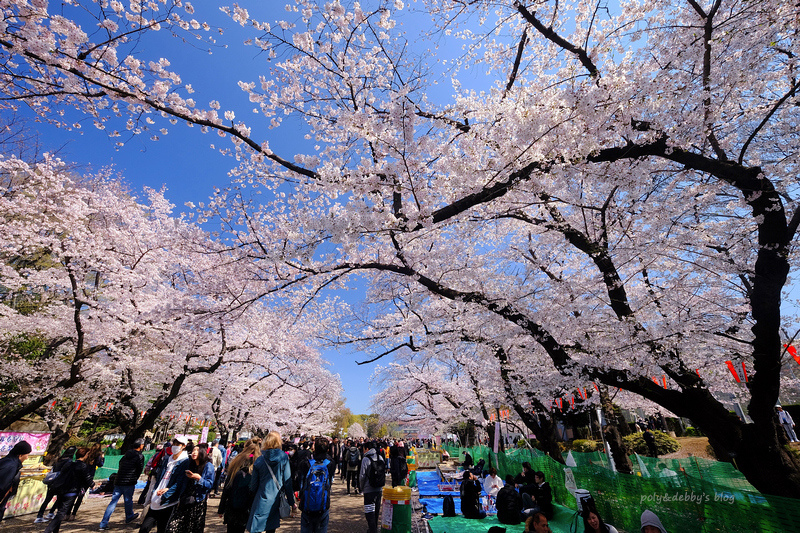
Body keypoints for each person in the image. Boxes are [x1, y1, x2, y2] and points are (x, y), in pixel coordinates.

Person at [247, 431, 295, 533]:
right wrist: (291, 501)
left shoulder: (259, 460)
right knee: (271, 528)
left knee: (257, 527)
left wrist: (250, 497)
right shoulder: (284, 457)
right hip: (276, 499)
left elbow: (253, 485)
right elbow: (287, 481)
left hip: (261, 498)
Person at [139, 436, 189, 533]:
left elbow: (180, 482)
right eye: (174, 444)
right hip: (156, 498)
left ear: (183, 446)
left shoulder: (185, 461)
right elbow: (160, 478)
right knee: (144, 528)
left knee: (162, 529)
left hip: (168, 501)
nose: (174, 446)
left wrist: (167, 492)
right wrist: (154, 491)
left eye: (177, 444)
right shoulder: (167, 459)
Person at [163, 443, 215, 533]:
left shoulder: (208, 466)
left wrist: (199, 478)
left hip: (197, 502)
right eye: (193, 450)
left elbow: (210, 485)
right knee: (173, 527)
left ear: (202, 452)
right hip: (185, 499)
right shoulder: (190, 464)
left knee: (192, 528)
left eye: (197, 451)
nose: (194, 452)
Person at [44, 447, 94, 533]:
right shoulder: (83, 466)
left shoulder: (69, 464)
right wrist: (92, 484)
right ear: (85, 455)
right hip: (72, 491)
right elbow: (88, 479)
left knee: (60, 511)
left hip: (61, 489)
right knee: (62, 512)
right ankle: (48, 530)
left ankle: (55, 531)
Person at [99, 438, 145, 530]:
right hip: (129, 481)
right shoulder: (139, 456)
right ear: (140, 446)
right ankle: (129, 516)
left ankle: (103, 523)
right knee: (128, 500)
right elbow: (139, 469)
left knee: (113, 502)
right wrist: (134, 478)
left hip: (118, 480)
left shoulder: (126, 455)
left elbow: (121, 465)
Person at [218, 442, 259, 533]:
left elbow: (226, 489)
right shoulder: (255, 471)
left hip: (232, 506)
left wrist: (221, 508)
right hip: (246, 508)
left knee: (231, 529)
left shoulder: (235, 467)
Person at [298, 437, 336, 533]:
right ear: (327, 450)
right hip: (322, 505)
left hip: (307, 506)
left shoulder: (306, 463)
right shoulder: (330, 464)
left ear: (314, 448)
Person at [34, 446, 75, 524]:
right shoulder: (69, 462)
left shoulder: (59, 460)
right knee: (59, 499)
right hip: (61, 483)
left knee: (47, 499)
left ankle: (39, 516)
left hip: (52, 482)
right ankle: (51, 513)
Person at [67, 442, 104, 520]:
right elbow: (100, 464)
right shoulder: (97, 456)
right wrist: (103, 457)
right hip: (89, 476)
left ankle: (67, 513)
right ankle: (73, 514)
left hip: (81, 475)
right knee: (80, 496)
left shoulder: (88, 454)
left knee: (74, 495)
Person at [0, 440, 31, 521]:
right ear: (20, 455)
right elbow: (2, 486)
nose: (27, 457)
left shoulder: (8, 461)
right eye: (27, 455)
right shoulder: (11, 466)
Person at [359, 441, 386, 533]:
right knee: (376, 510)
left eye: (364, 449)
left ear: (367, 449)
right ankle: (373, 529)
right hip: (379, 489)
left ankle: (372, 530)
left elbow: (362, 476)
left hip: (368, 489)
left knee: (369, 511)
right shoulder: (380, 457)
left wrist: (361, 487)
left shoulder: (365, 459)